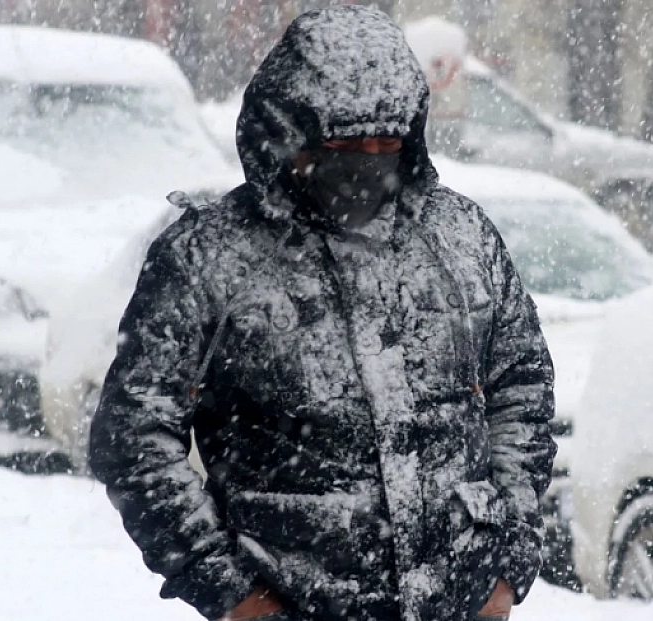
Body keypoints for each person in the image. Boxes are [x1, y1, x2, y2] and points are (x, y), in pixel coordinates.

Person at [88, 6, 556, 621]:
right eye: (344, 145)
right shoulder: (211, 257)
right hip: (293, 603)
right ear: (288, 134)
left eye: (385, 144)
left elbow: (521, 390)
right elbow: (134, 435)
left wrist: (507, 561)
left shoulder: (460, 236)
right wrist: (229, 590)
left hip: (457, 601)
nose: (367, 161)